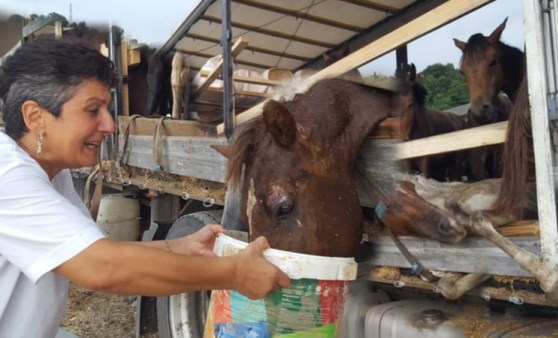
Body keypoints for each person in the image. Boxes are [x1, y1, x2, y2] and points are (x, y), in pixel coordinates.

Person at [0, 36, 290, 337]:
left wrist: (179, 247)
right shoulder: (7, 174)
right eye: (92, 110)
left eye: (107, 109)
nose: (110, 126)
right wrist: (236, 273)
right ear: (36, 116)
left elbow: (90, 252)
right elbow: (101, 267)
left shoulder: (51, 171)